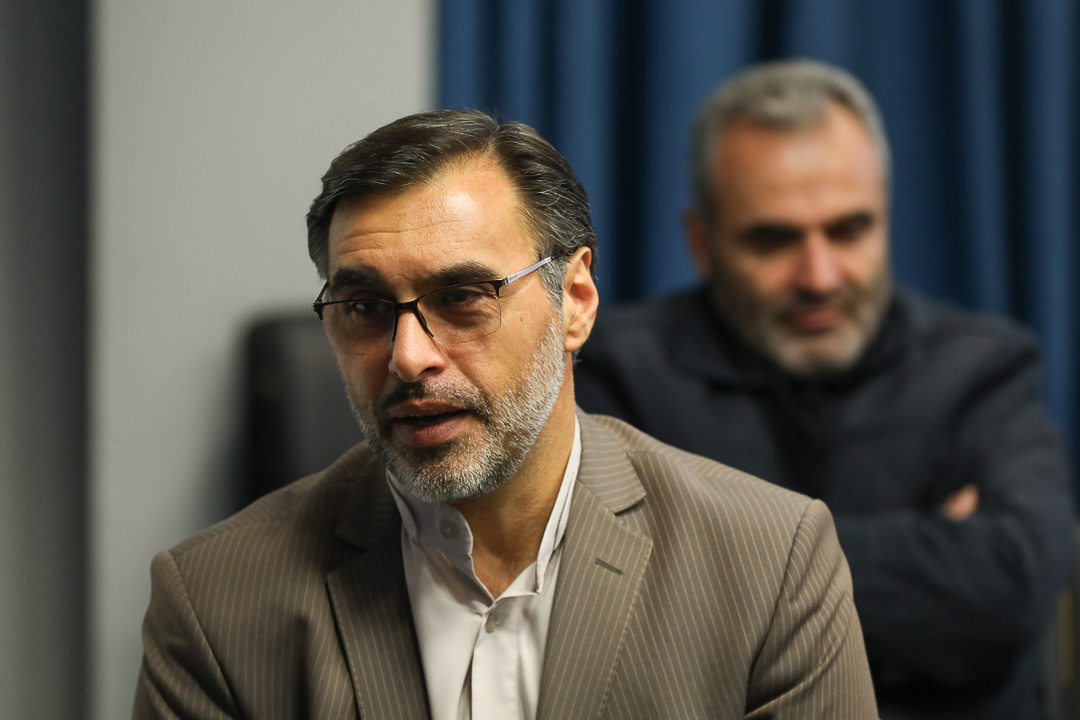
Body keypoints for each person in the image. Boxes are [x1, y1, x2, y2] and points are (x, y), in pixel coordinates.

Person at [133, 109, 877, 719]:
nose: (409, 357)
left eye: (462, 297)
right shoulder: (213, 601)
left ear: (575, 301)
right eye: (364, 307)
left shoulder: (769, 564)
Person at [575, 59, 1075, 719]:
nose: (819, 276)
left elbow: (1011, 589)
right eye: (773, 240)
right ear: (702, 243)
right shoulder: (614, 373)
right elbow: (599, 607)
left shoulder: (983, 369)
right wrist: (924, 582)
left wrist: (713, 569)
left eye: (848, 230)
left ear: (885, 218)